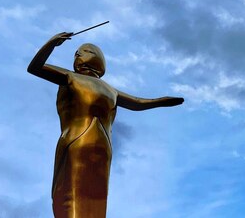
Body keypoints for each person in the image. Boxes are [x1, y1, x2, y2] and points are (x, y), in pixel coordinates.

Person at [28, 32, 184, 218]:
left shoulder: (111, 90)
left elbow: (137, 103)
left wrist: (160, 101)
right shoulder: (70, 77)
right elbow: (35, 68)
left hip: (102, 148)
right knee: (71, 191)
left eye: (84, 51)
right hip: (76, 142)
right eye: (76, 53)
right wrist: (51, 44)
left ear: (98, 58)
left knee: (97, 195)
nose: (78, 55)